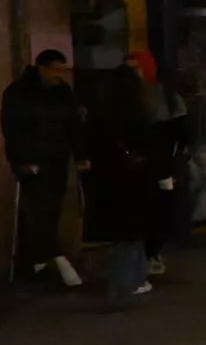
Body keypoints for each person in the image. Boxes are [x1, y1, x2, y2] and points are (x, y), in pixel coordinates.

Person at [3, 50, 88, 287]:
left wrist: (80, 155)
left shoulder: (62, 93)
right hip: (34, 161)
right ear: (41, 68)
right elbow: (13, 129)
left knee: (52, 209)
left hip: (57, 158)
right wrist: (21, 160)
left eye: (61, 69)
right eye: (54, 69)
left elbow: (73, 126)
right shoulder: (19, 93)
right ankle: (59, 259)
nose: (58, 75)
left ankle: (39, 260)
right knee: (41, 208)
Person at [85, 62, 166, 301]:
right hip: (136, 178)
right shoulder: (138, 111)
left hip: (108, 179)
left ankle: (136, 279)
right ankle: (124, 284)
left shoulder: (99, 112)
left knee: (125, 234)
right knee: (132, 233)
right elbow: (150, 144)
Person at [125, 50, 189, 278]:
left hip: (161, 163)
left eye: (136, 68)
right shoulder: (123, 98)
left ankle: (152, 252)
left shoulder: (165, 97)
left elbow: (180, 133)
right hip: (136, 165)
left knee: (162, 208)